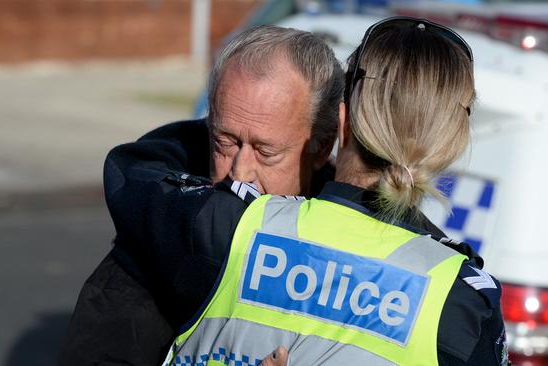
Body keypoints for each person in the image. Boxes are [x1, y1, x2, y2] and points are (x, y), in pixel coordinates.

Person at [161, 17, 508, 365]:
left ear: (341, 123)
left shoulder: (227, 224)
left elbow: (132, 171)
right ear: (453, 145)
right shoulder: (462, 298)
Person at [59, 25, 343, 366]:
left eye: (266, 152)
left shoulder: (366, 252)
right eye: (225, 142)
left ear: (322, 145)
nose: (240, 172)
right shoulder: (157, 240)